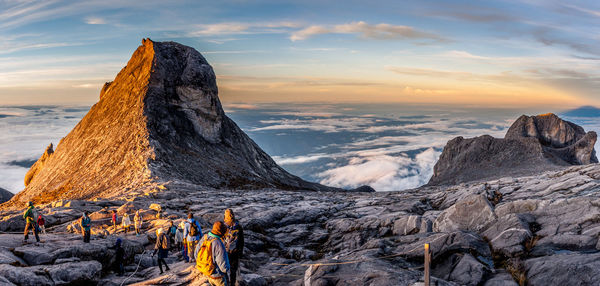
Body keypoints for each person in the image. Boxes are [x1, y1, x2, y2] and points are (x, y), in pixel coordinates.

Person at [195, 221, 230, 286]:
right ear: (221, 232)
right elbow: (223, 267)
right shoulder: (218, 243)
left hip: (208, 273)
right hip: (218, 276)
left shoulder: (204, 238)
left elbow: (196, 254)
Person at [224, 209, 244, 286]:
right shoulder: (238, 226)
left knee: (224, 268)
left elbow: (221, 239)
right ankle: (232, 283)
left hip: (226, 251)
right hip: (235, 252)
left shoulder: (224, 226)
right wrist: (240, 252)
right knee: (233, 270)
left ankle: (226, 283)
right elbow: (241, 241)